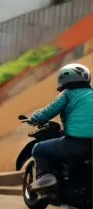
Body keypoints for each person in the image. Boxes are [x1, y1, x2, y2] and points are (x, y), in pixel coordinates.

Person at [29, 63, 93, 192]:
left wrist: (33, 118)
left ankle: (47, 181)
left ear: (63, 78)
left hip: (75, 142)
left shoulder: (67, 94)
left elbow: (47, 113)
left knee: (38, 148)